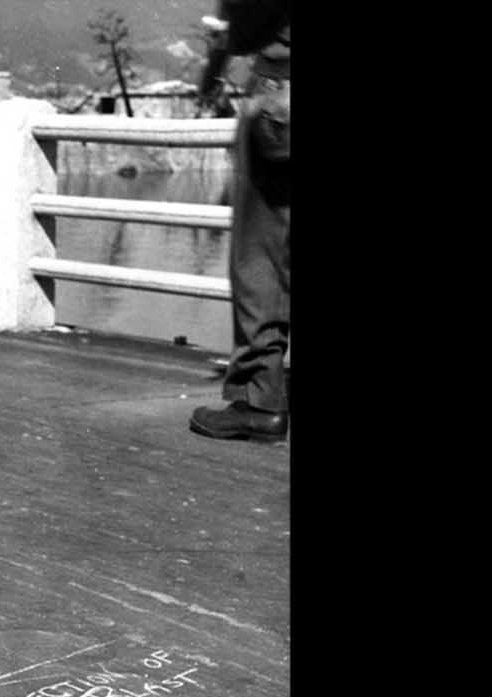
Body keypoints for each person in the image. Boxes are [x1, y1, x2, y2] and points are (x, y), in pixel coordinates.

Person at [189, 0, 291, 442]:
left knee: (259, 253)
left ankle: (258, 398)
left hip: (280, 100)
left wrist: (211, 73)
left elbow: (237, 29)